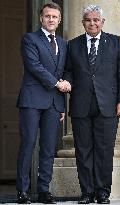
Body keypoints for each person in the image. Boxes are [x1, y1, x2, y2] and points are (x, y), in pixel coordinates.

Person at [63, 4, 120, 204]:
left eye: (96, 20)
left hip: (108, 105)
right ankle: (86, 192)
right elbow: (68, 71)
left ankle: (102, 192)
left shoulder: (115, 43)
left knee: (104, 151)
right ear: (83, 22)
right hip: (81, 105)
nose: (92, 23)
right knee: (83, 151)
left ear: (102, 22)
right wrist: (67, 81)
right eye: (88, 20)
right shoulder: (73, 45)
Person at [16, 2, 70, 204]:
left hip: (54, 104)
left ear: (59, 20)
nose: (51, 20)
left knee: (49, 148)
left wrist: (62, 103)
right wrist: (58, 83)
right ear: (41, 18)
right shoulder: (30, 39)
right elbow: (34, 66)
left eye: (55, 17)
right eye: (47, 16)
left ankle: (44, 190)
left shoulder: (64, 44)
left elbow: (66, 71)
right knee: (28, 145)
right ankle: (23, 191)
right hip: (32, 100)